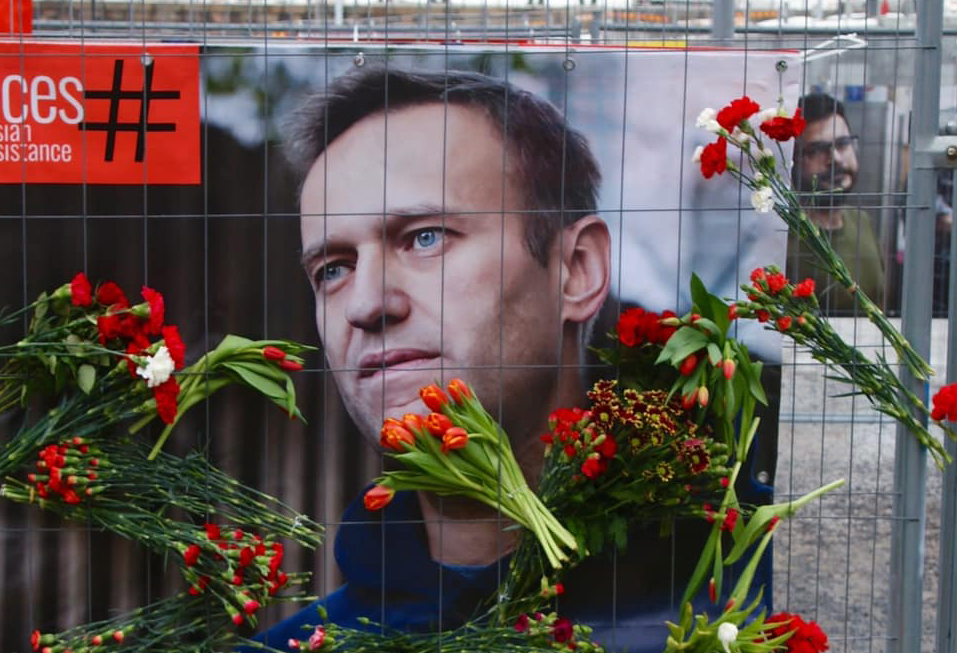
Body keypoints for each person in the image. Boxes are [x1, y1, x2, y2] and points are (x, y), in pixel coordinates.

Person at [257, 65, 723, 651]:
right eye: (333, 269)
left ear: (576, 271)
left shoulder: (763, 607)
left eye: (425, 237)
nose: (366, 303)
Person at [787, 92, 885, 313]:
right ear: (793, 160)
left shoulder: (861, 220)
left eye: (843, 144)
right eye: (817, 150)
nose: (836, 159)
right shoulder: (781, 235)